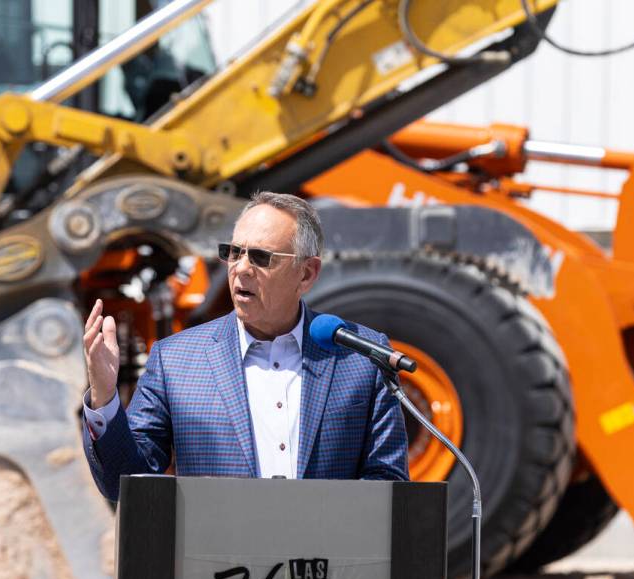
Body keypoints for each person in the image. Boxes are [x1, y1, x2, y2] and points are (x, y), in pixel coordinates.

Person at [81, 191, 408, 500]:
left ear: (306, 274)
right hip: (218, 558)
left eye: (262, 257)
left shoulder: (360, 357)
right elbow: (125, 482)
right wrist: (104, 396)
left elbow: (387, 485)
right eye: (234, 252)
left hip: (323, 558)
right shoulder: (176, 360)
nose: (241, 268)